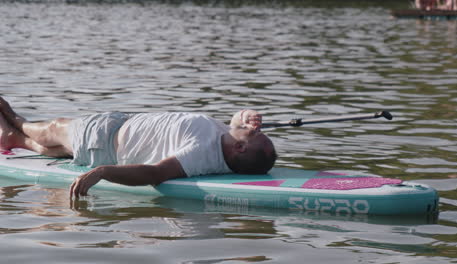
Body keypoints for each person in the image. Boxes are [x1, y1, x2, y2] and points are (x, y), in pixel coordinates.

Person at [0, 97, 277, 199]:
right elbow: (235, 124)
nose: (255, 128)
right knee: (56, 150)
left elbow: (155, 174)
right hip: (111, 137)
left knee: (51, 130)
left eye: (255, 134)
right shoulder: (227, 142)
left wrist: (103, 172)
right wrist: (245, 114)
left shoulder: (200, 152)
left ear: (240, 148)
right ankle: (11, 138)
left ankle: (14, 118)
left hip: (105, 136)